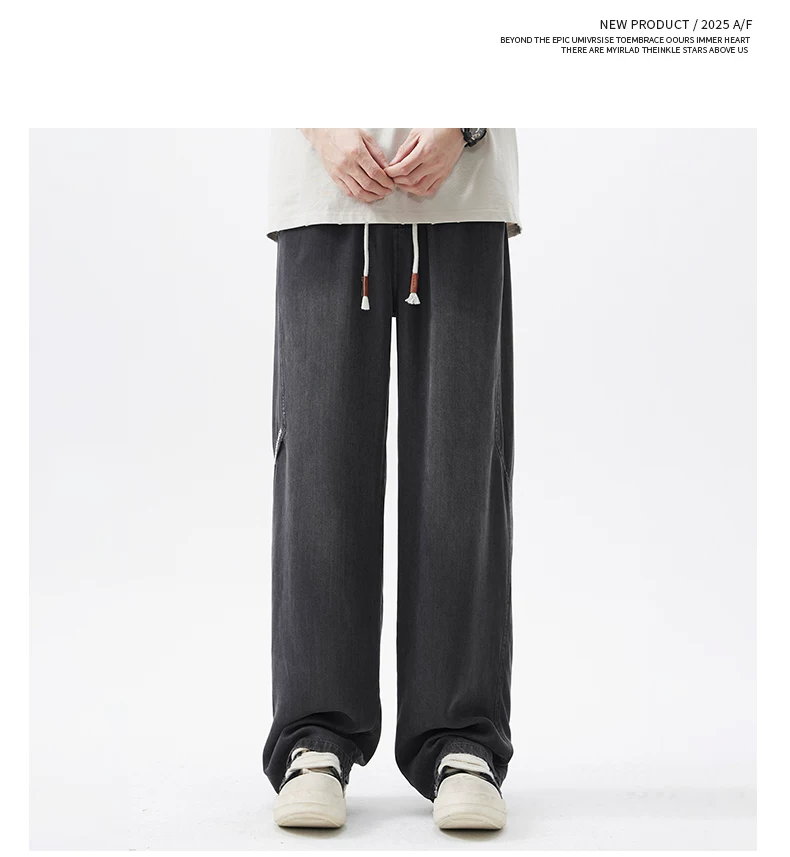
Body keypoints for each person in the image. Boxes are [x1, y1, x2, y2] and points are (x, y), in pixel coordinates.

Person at [262, 128, 520, 830]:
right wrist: (323, 125)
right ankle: (315, 739)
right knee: (318, 471)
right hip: (325, 187)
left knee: (461, 472)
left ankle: (462, 741)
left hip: (462, 185)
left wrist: (464, 123)